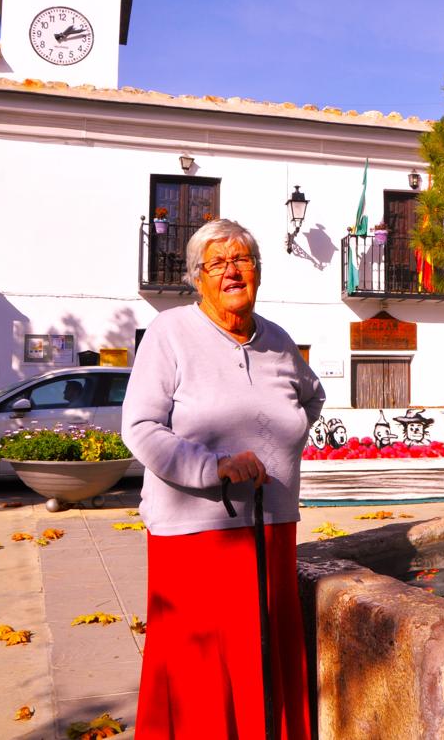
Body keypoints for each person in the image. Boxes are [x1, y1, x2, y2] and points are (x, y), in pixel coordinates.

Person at [123, 218, 325, 739]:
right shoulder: (171, 332)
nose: (232, 271)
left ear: (258, 271)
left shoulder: (277, 340)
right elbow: (140, 428)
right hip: (194, 533)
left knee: (265, 650)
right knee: (202, 666)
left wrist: (286, 445)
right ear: (198, 277)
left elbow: (312, 395)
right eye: (218, 262)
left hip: (272, 524)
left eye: (243, 260)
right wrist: (211, 468)